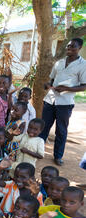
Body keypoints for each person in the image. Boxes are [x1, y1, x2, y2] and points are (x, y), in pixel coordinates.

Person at [40, 38, 86, 166]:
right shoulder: (59, 63)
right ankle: (37, 150)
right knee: (43, 127)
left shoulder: (83, 65)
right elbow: (52, 80)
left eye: (73, 47)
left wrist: (66, 89)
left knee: (61, 130)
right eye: (68, 46)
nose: (69, 49)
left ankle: (58, 156)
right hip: (50, 100)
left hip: (65, 103)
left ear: (79, 48)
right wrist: (48, 85)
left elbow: (84, 86)